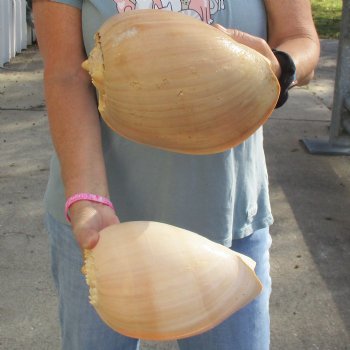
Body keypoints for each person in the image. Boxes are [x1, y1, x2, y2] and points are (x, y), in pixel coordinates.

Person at [32, 0, 320, 349]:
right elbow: (66, 74)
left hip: (228, 219)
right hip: (98, 224)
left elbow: (301, 38)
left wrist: (279, 68)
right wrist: (86, 199)